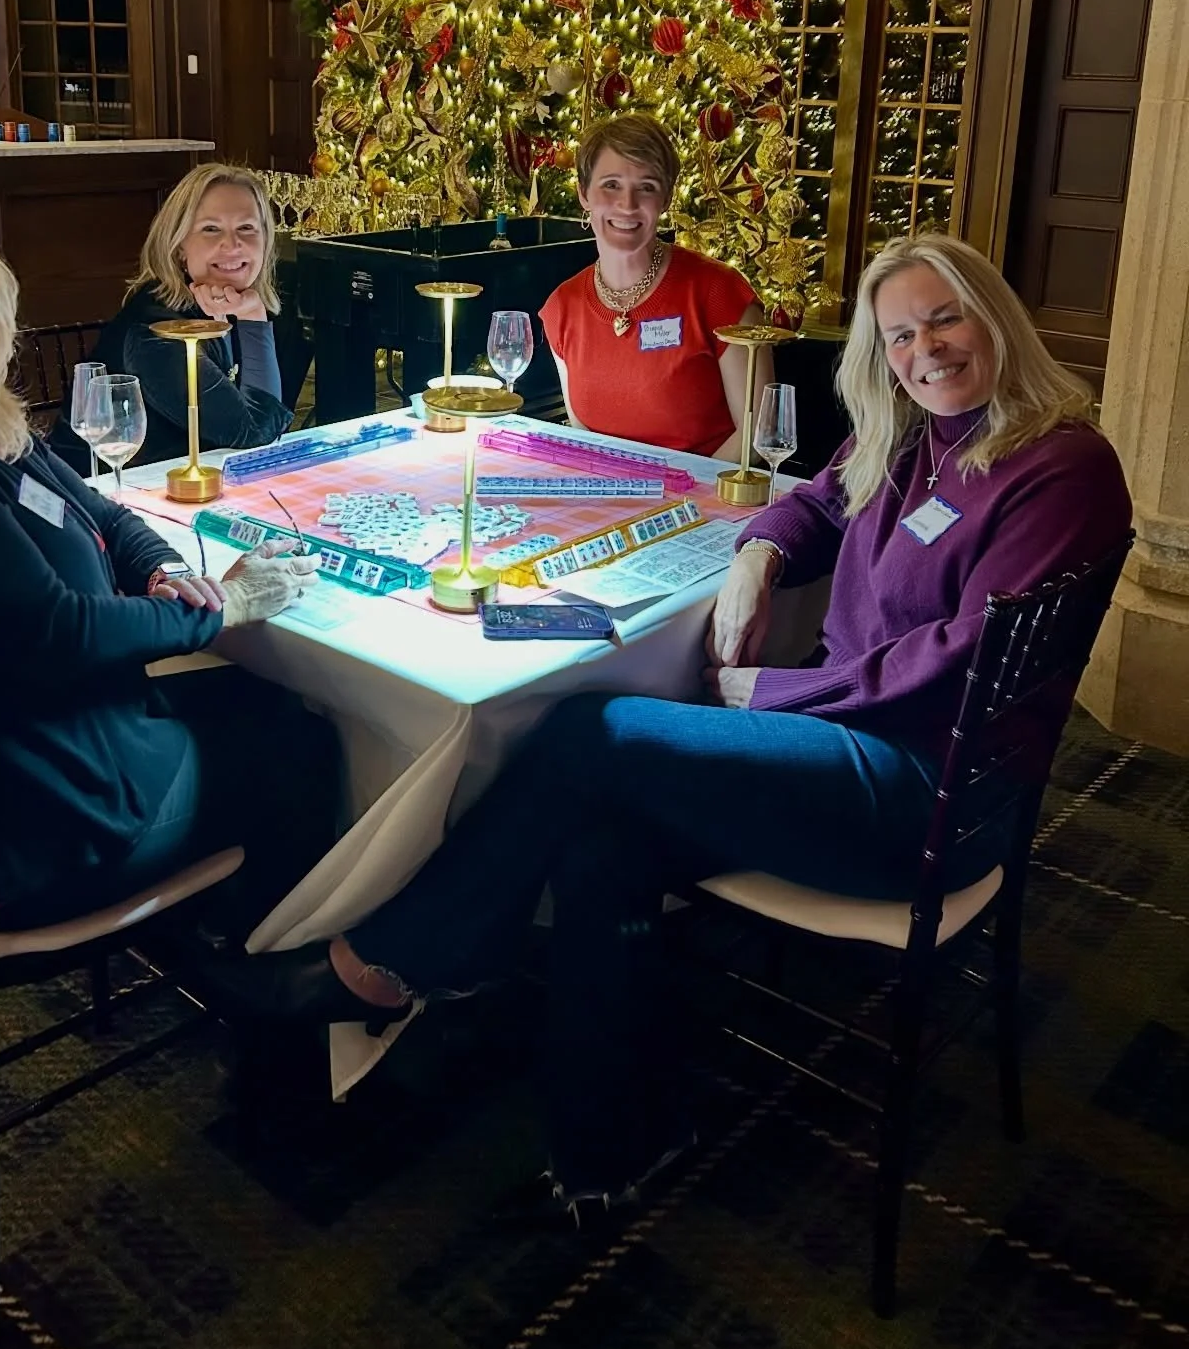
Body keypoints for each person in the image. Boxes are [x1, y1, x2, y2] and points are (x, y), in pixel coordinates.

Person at [223, 234, 1132, 1218]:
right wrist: (757, 559)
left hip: (923, 792)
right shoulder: (914, 432)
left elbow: (960, 657)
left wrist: (770, 697)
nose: (928, 350)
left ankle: (390, 963)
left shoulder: (1062, 465)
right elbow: (816, 503)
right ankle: (607, 1149)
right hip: (849, 748)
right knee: (601, 834)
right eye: (901, 334)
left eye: (945, 320)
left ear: (993, 315)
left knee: (591, 734)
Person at [0, 198, 335, 938]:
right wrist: (222, 607)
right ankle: (263, 1000)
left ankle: (219, 934)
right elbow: (59, 631)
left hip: (5, 766)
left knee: (253, 697)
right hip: (9, 838)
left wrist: (165, 573)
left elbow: (104, 513)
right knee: (304, 739)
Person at [538, 114, 765, 459]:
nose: (627, 205)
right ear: (583, 194)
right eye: (611, 185)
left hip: (707, 502)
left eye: (646, 187)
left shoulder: (721, 294)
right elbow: (586, 439)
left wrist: (683, 498)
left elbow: (757, 432)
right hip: (610, 500)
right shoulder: (561, 309)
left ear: (667, 199)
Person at [52, 162, 294, 473]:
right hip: (100, 501)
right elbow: (254, 436)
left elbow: (269, 428)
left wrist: (251, 313)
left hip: (188, 486)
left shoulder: (236, 305)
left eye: (246, 228)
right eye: (211, 229)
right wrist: (255, 320)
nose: (232, 245)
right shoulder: (155, 332)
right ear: (180, 247)